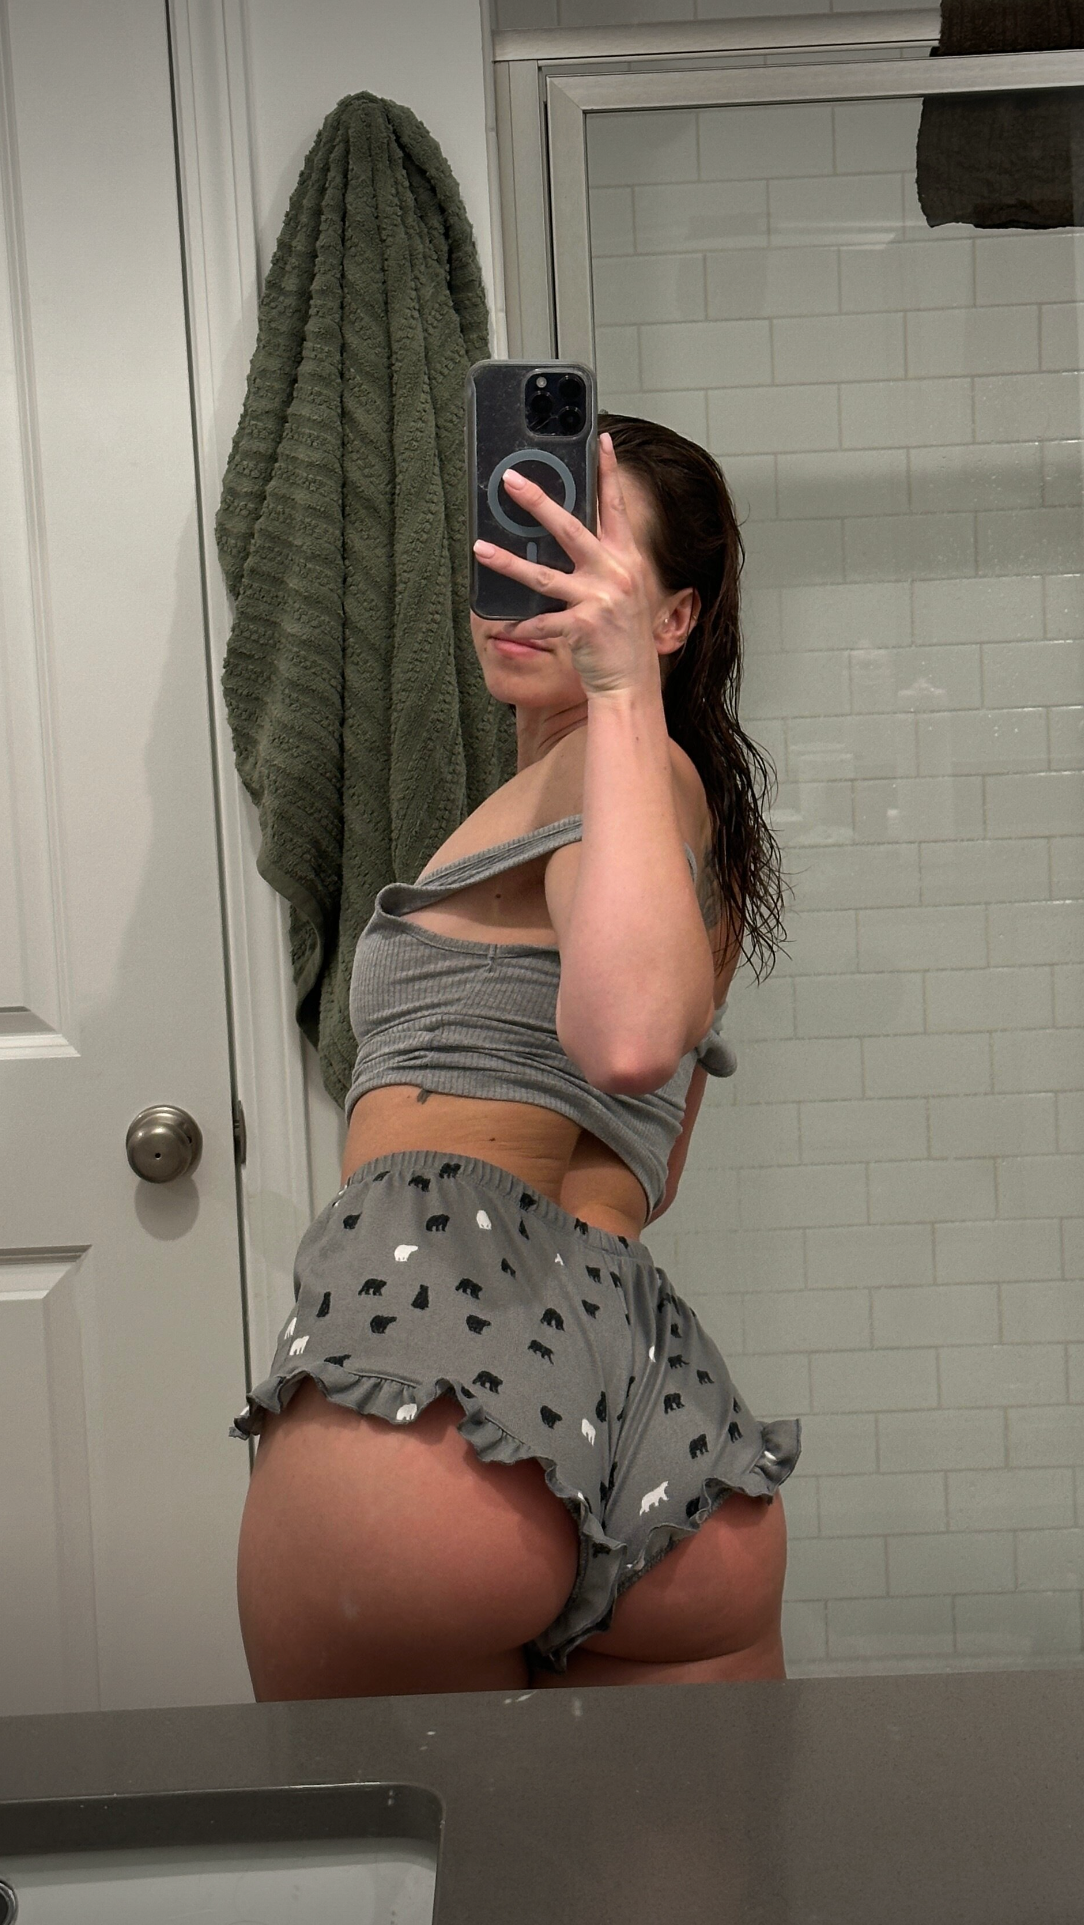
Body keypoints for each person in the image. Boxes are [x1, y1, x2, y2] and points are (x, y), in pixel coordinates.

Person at [231, 413, 800, 1699]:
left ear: (670, 619)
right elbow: (648, 1170)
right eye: (520, 545)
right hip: (649, 1399)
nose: (536, 588)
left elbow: (629, 1040)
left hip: (435, 1350)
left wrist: (616, 692)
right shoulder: (682, 829)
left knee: (382, 1836)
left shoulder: (616, 772)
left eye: (583, 561)